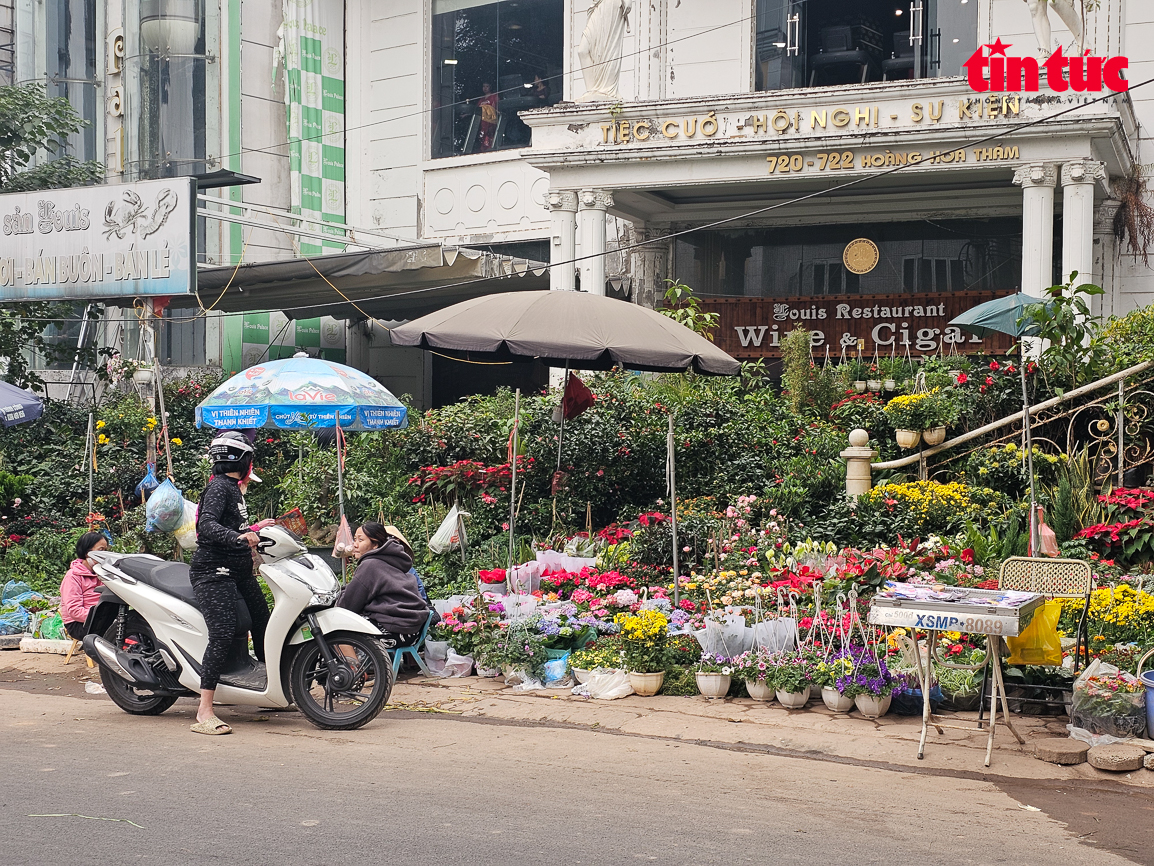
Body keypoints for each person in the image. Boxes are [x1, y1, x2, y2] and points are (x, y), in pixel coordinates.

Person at [187, 432, 271, 736]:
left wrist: (254, 530)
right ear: (244, 460)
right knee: (222, 632)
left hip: (238, 570)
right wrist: (237, 537)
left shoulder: (233, 488)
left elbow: (231, 526)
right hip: (213, 570)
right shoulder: (219, 488)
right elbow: (206, 525)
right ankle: (204, 711)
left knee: (263, 621)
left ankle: (270, 688)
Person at [337, 522, 431, 649]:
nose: (355, 544)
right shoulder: (391, 560)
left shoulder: (370, 565)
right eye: (355, 539)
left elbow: (347, 605)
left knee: (336, 631)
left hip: (396, 632)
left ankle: (355, 669)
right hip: (412, 631)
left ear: (375, 544)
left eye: (361, 540)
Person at [60, 531, 109, 641]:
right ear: (88, 552)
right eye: (101, 550)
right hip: (78, 624)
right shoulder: (72, 576)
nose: (105, 554)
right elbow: (75, 611)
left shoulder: (102, 573)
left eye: (106, 550)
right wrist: (101, 618)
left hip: (101, 619)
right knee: (117, 631)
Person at [476, 82, 499, 150]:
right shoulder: (481, 99)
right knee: (483, 139)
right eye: (484, 86)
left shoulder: (494, 96)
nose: (485, 88)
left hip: (491, 122)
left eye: (487, 86)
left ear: (490, 87)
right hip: (483, 123)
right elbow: (477, 110)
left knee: (491, 137)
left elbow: (498, 107)